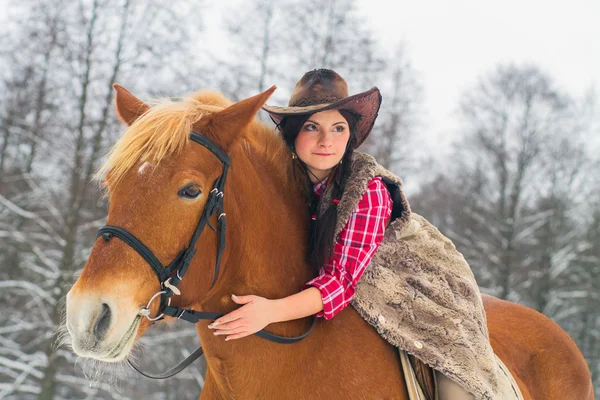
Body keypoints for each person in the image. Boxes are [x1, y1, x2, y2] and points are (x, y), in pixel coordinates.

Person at [207, 69, 488, 400]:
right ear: (294, 134)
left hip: (420, 286)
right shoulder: (282, 183)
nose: (327, 140)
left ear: (350, 136)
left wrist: (269, 311)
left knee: (455, 387)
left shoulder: (368, 189)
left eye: (338, 128)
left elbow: (339, 283)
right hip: (349, 279)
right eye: (313, 127)